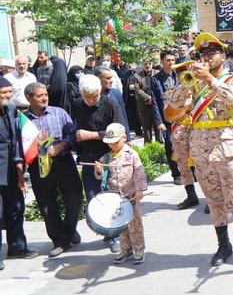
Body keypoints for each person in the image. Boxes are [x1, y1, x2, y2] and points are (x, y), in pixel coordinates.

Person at [166, 33, 233, 271]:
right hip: (202, 154)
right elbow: (173, 106)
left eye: (211, 54)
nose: (206, 58)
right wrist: (186, 84)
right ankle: (223, 245)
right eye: (202, 55)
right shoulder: (194, 84)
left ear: (223, 57)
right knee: (214, 202)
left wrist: (210, 80)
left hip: (227, 151)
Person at [24, 82, 83, 258]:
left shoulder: (59, 113)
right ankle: (60, 241)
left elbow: (72, 134)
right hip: (38, 167)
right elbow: (21, 144)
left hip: (63, 161)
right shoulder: (23, 120)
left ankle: (69, 229)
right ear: (29, 98)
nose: (44, 98)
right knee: (47, 205)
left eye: (46, 95)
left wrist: (61, 146)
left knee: (75, 198)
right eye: (39, 95)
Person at [72, 73, 127, 253]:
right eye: (87, 97)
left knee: (112, 196)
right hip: (88, 157)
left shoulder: (110, 104)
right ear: (81, 93)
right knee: (94, 197)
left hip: (109, 156)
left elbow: (119, 129)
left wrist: (93, 135)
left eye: (94, 96)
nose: (91, 99)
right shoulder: (77, 104)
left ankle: (117, 235)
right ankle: (107, 230)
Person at [93, 123, 148, 265]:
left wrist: (140, 189)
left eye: (115, 142)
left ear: (124, 138)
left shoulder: (131, 155)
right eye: (110, 143)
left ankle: (139, 249)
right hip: (115, 196)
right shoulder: (106, 157)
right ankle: (125, 248)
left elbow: (139, 173)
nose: (113, 145)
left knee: (135, 224)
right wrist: (99, 170)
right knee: (121, 224)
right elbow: (101, 176)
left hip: (131, 195)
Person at [0, 77, 37, 268]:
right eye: (3, 93)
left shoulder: (13, 110)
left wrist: (20, 171)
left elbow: (16, 140)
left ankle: (17, 247)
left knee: (15, 210)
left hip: (12, 171)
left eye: (9, 92)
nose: (8, 96)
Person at [163, 60, 204, 212]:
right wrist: (186, 110)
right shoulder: (171, 93)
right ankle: (191, 195)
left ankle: (209, 197)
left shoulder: (201, 90)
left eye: (186, 73)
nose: (183, 77)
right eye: (180, 74)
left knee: (202, 164)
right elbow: (171, 117)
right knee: (183, 165)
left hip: (198, 130)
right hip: (180, 131)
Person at [150, 51, 182, 188]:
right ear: (162, 61)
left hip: (182, 117)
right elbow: (155, 103)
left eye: (173, 60)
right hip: (166, 118)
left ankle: (191, 171)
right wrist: (159, 122)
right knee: (170, 146)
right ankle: (176, 174)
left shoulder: (180, 75)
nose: (171, 63)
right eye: (168, 60)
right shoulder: (155, 79)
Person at [133, 59, 159, 143]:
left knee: (158, 126)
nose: (147, 65)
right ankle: (148, 146)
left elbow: (160, 88)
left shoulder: (158, 73)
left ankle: (159, 145)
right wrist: (148, 98)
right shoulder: (137, 75)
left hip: (156, 105)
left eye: (149, 63)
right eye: (145, 64)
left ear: (152, 64)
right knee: (146, 127)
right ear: (142, 65)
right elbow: (137, 90)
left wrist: (154, 99)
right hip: (144, 105)